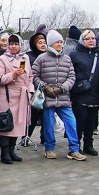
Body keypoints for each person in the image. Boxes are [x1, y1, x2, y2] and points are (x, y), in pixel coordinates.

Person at [33, 30, 87, 161]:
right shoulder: (41, 58)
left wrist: (62, 88)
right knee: (49, 124)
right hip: (48, 98)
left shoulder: (67, 59)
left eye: (61, 42)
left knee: (71, 123)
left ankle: (74, 149)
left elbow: (71, 77)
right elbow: (34, 76)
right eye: (57, 42)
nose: (60, 45)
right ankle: (49, 148)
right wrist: (45, 87)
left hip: (64, 98)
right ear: (51, 43)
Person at [0, 34, 34, 163]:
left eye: (16, 44)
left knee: (17, 124)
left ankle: (12, 150)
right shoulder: (3, 59)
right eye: (11, 44)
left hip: (22, 96)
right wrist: (13, 75)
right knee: (6, 124)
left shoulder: (25, 58)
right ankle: (4, 153)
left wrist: (30, 91)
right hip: (7, 96)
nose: (13, 46)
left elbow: (30, 76)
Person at [69, 30, 99, 156]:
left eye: (93, 38)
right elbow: (70, 73)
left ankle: (89, 144)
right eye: (87, 38)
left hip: (95, 93)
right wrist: (83, 77)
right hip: (80, 93)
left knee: (91, 122)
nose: (91, 41)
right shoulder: (74, 55)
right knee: (79, 121)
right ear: (81, 40)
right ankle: (75, 145)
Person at [26, 25, 48, 144]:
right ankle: (26, 137)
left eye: (44, 42)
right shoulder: (29, 57)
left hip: (47, 90)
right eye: (40, 42)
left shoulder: (50, 55)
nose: (43, 44)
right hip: (34, 91)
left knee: (46, 117)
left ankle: (44, 138)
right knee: (32, 117)